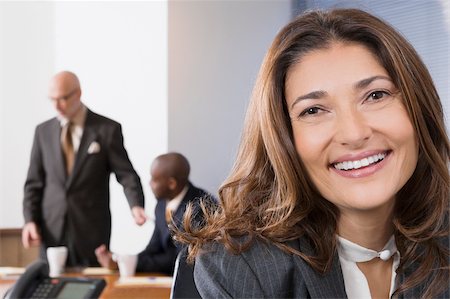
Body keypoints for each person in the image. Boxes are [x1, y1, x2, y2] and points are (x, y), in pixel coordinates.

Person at [175, 8, 450, 299]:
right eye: (313, 110)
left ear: (418, 108)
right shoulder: (239, 270)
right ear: (285, 139)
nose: (354, 134)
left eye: (375, 95)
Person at [22, 71, 146, 267]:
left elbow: (126, 174)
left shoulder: (107, 129)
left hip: (91, 230)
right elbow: (33, 183)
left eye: (62, 98)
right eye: (52, 99)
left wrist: (136, 205)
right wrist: (30, 220)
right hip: (51, 230)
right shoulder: (42, 132)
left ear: (78, 93)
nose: (56, 105)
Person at [95, 152, 212, 275]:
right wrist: (121, 260)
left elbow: (180, 258)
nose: (150, 184)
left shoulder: (200, 208)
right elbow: (154, 248)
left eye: (154, 180)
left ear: (171, 184)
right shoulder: (161, 204)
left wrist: (134, 262)